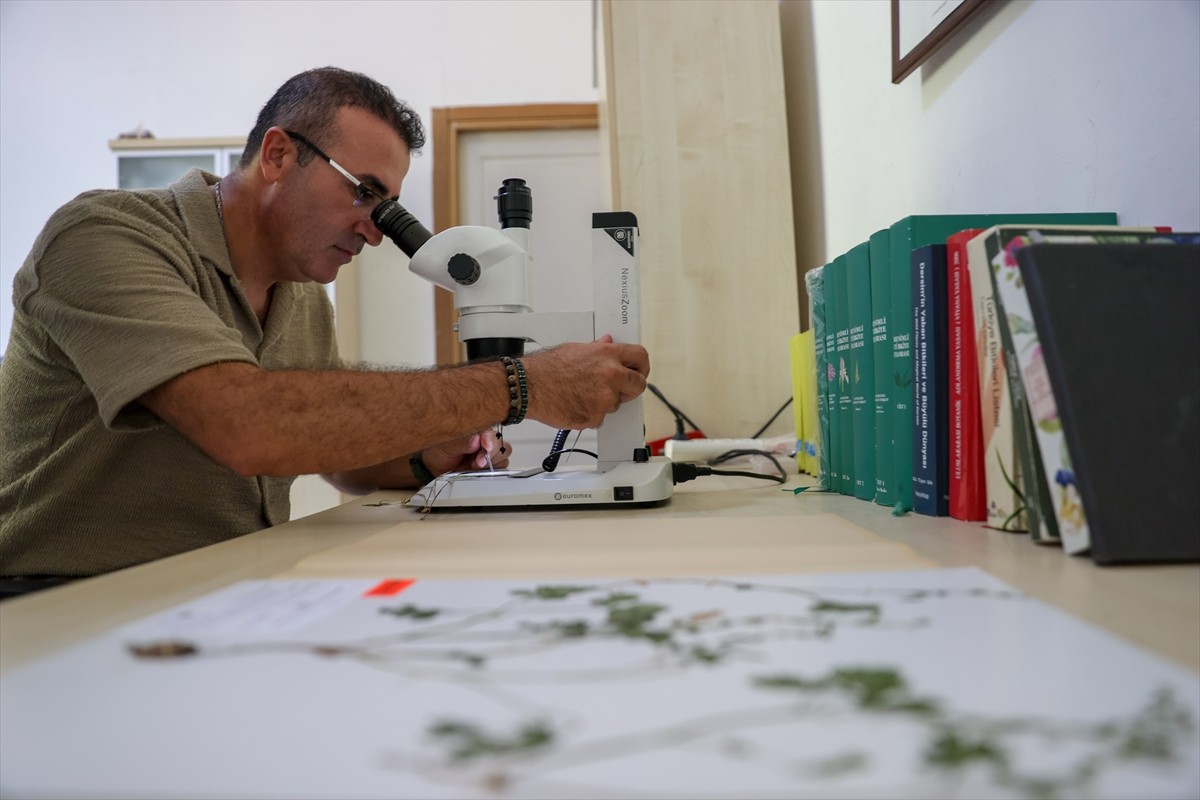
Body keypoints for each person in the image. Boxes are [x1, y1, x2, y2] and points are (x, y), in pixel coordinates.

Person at [0, 67, 650, 584]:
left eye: (389, 207)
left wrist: (429, 454)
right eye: (364, 192)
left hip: (227, 584)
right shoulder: (104, 236)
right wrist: (519, 383)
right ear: (279, 154)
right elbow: (250, 426)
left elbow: (343, 460)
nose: (375, 227)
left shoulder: (301, 295)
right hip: (63, 595)